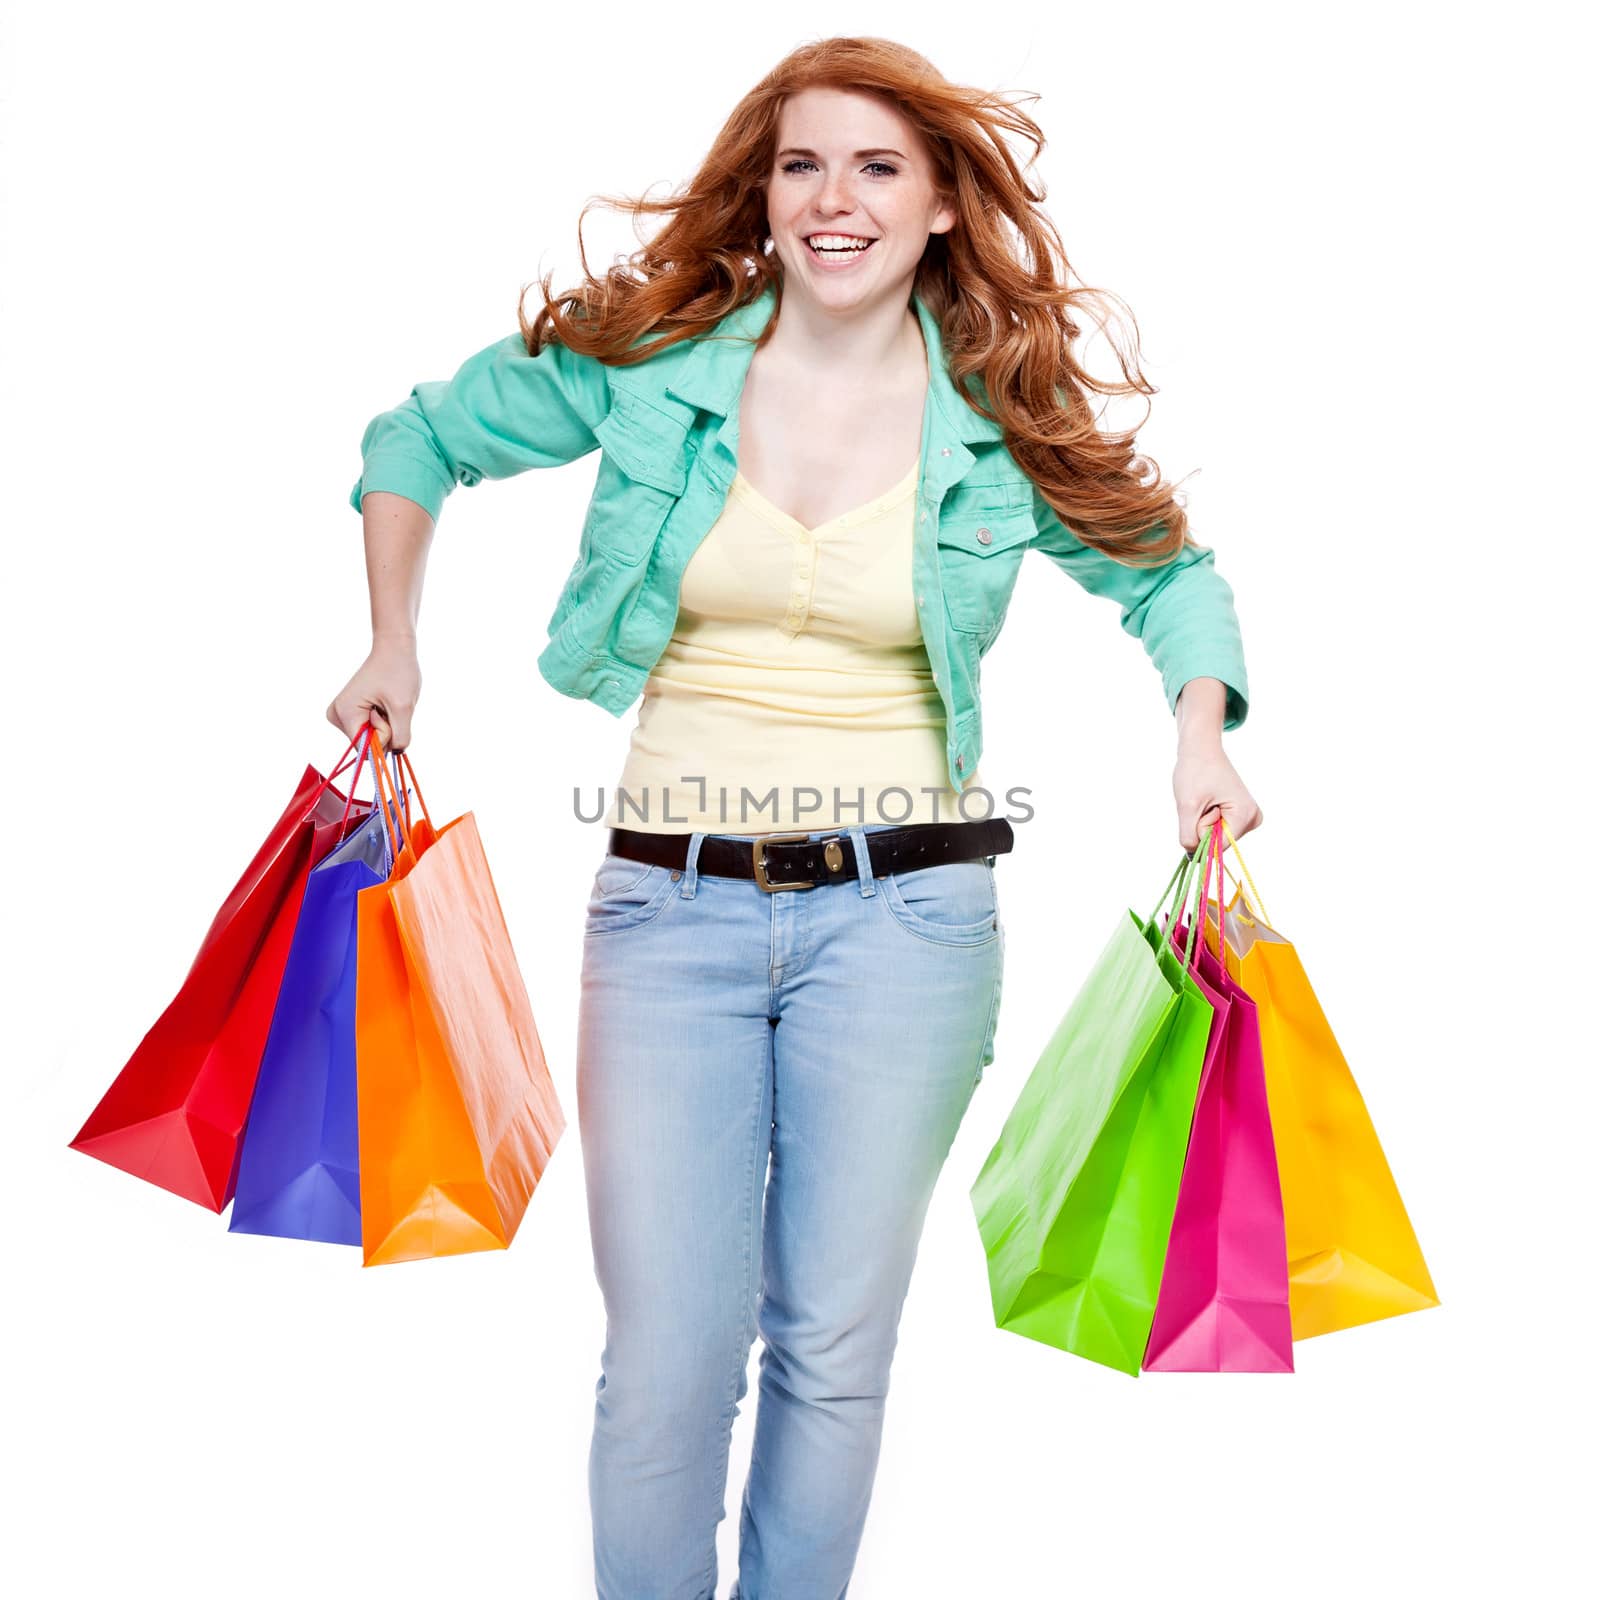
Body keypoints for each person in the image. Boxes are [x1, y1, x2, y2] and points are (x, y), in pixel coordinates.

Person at [330, 36, 1262, 1600]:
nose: (837, 200)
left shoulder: (1001, 419)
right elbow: (416, 441)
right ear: (765, 195)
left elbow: (1171, 575)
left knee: (832, 1348)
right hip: (667, 915)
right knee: (666, 1361)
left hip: (910, 927)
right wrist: (393, 639)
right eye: (803, 164)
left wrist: (1198, 736)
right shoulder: (657, 368)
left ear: (946, 205)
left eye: (879, 166)